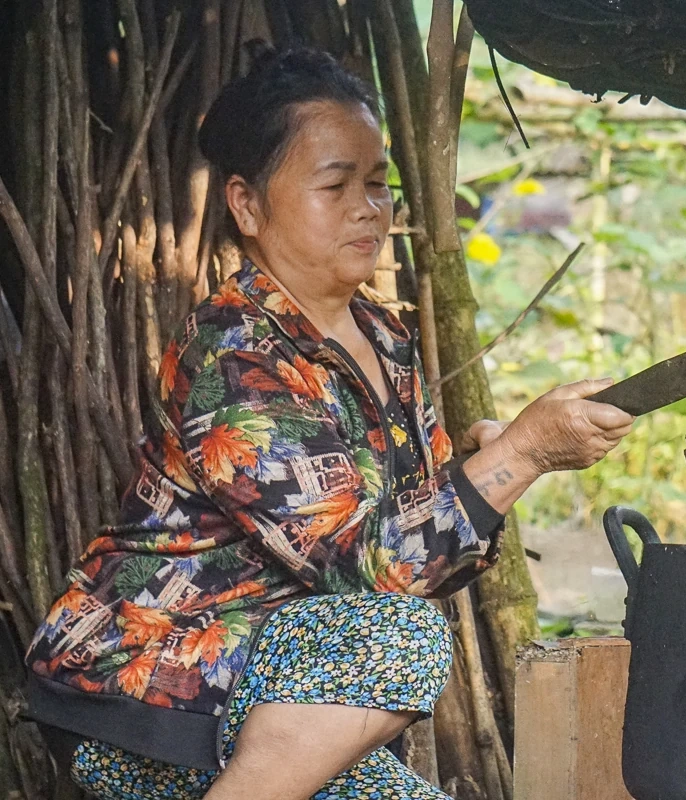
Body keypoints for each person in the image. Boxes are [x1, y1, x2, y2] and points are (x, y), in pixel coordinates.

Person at [23, 45, 634, 800]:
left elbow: (417, 543)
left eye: (379, 185)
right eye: (335, 184)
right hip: (144, 695)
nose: (368, 208)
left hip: (265, 708)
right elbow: (369, 574)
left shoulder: (384, 337)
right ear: (247, 205)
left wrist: (479, 470)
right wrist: (519, 456)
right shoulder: (235, 349)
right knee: (404, 639)